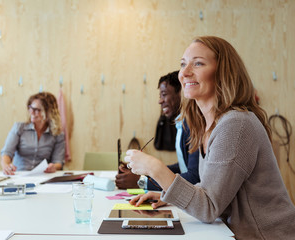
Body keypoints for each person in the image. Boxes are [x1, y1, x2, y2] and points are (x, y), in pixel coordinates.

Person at [126, 36, 295, 239]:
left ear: (223, 73)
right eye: (183, 64)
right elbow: (213, 189)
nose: (185, 72)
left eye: (197, 63)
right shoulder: (207, 125)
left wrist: (155, 169)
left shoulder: (235, 124)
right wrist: (168, 195)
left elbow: (208, 208)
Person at [115, 71, 199, 190]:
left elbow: (194, 178)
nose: (160, 101)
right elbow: (183, 167)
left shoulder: (193, 125)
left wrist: (142, 182)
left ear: (181, 93)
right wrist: (145, 171)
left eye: (164, 94)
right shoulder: (181, 124)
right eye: (160, 96)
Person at [1, 92, 65, 175]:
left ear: (48, 112)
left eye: (37, 110)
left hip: (43, 176)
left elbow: (58, 162)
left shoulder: (57, 134)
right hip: (19, 175)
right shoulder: (19, 128)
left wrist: (53, 167)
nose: (31, 112)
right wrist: (6, 166)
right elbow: (6, 153)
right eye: (30, 108)